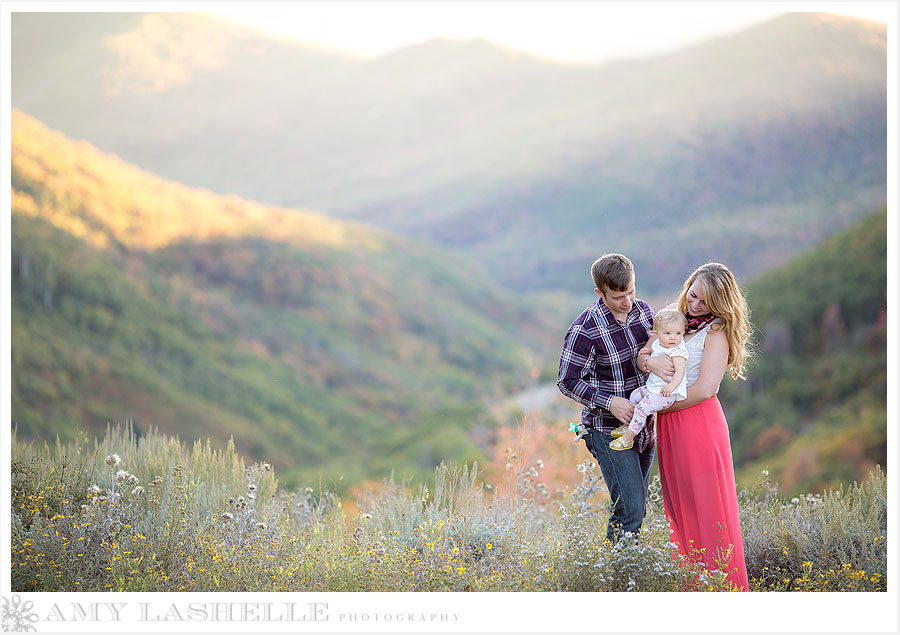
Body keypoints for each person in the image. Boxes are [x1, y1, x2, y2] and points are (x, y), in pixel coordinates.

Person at [637, 262, 751, 591]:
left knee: (710, 514)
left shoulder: (716, 330)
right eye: (693, 295)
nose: (695, 304)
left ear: (718, 305)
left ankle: (723, 591)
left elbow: (705, 389)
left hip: (698, 423)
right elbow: (644, 354)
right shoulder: (674, 319)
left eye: (704, 302)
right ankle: (694, 592)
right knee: (681, 512)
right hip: (670, 425)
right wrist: (647, 362)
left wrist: (657, 404)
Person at [557, 253, 656, 542]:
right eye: (617, 296)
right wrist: (610, 401)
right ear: (600, 293)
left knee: (636, 509)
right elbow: (567, 381)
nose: (627, 302)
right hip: (606, 430)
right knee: (630, 510)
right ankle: (617, 578)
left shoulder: (646, 313)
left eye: (631, 292)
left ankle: (623, 570)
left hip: (644, 427)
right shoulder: (585, 329)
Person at [609, 308, 688, 451]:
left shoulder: (678, 351)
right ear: (657, 335)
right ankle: (629, 425)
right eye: (668, 333)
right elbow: (654, 349)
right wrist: (648, 351)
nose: (673, 338)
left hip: (666, 394)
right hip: (653, 388)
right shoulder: (658, 343)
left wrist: (671, 386)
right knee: (634, 396)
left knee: (642, 408)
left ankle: (628, 439)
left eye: (678, 333)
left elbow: (680, 372)